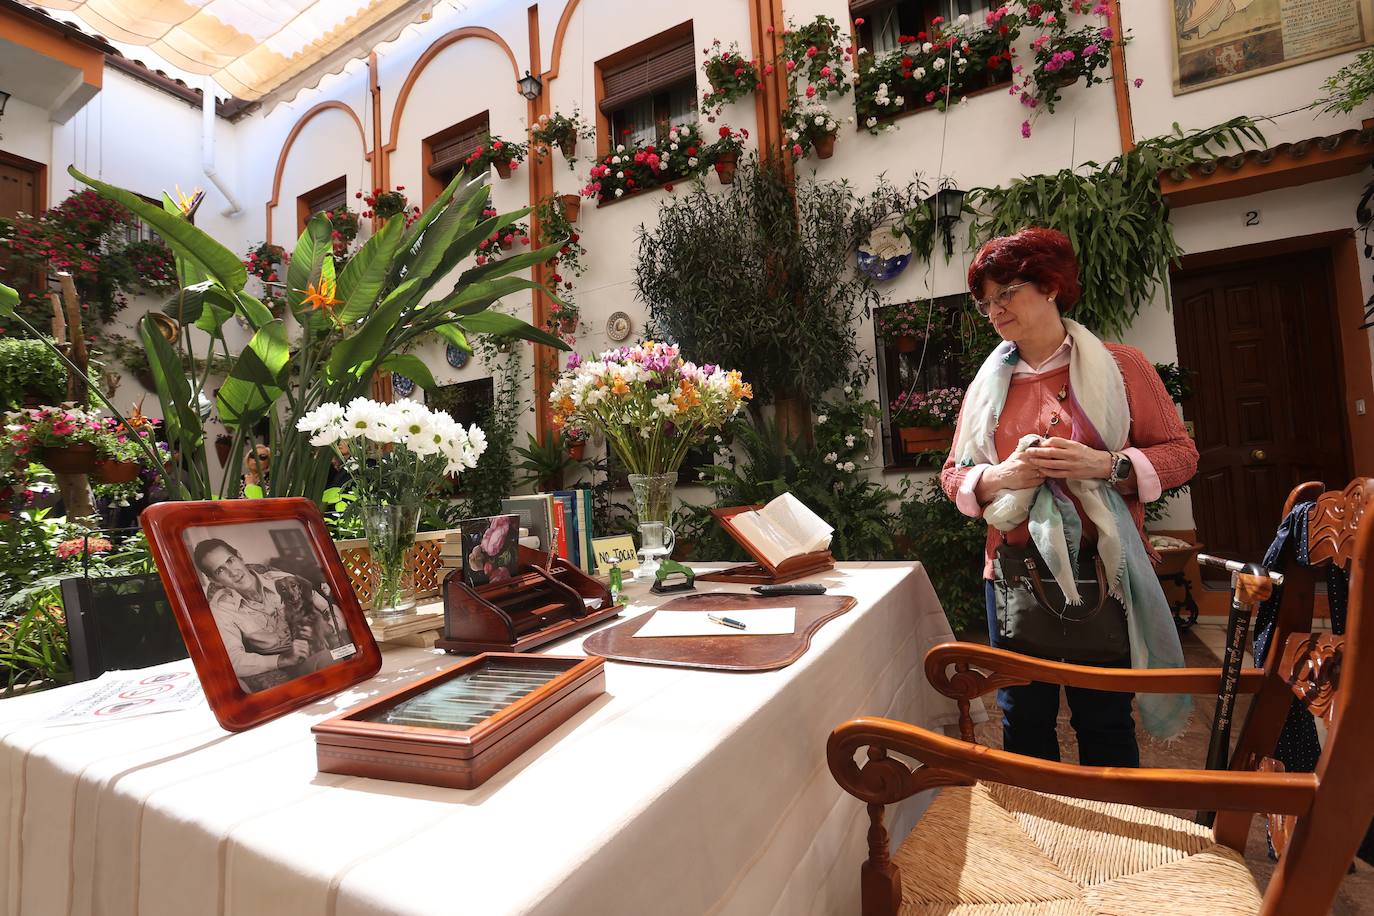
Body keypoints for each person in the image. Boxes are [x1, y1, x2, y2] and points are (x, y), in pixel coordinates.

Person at [940, 226, 1198, 766]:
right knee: (1022, 716)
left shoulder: (1121, 366)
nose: (995, 309)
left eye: (1006, 292)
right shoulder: (987, 385)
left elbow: (1182, 454)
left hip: (1102, 567)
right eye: (986, 300)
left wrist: (1108, 464)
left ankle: (1112, 837)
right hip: (1011, 571)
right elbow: (953, 474)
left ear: (1051, 286)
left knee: (1103, 717)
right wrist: (998, 477)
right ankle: (1039, 835)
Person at [192, 537, 335, 692]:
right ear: (215, 580)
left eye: (230, 561)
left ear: (239, 556)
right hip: (290, 663)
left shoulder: (283, 580)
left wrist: (330, 630)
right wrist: (283, 660)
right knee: (329, 659)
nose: (232, 573)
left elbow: (328, 608)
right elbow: (233, 661)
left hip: (322, 641)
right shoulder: (220, 609)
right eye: (220, 570)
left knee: (338, 654)